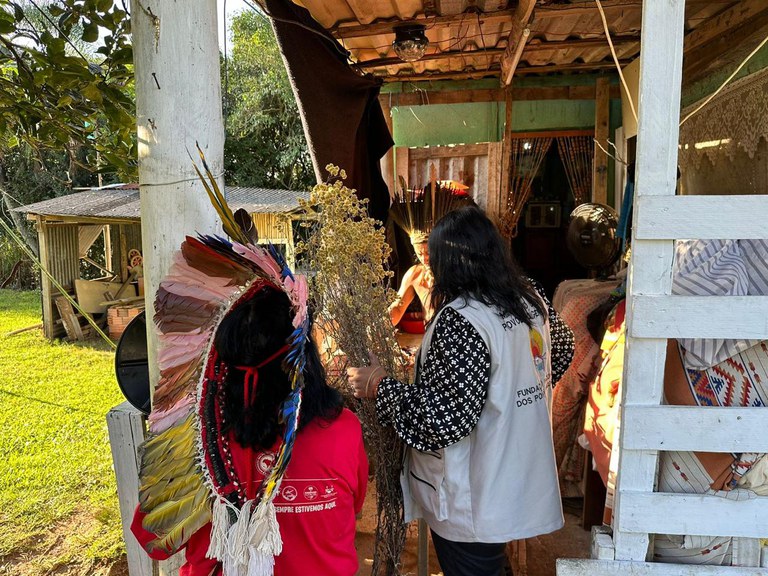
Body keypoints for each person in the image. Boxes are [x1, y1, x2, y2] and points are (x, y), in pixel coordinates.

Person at [348, 206, 564, 576]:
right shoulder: (529, 300)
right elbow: (560, 352)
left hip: (475, 493)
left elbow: (442, 422)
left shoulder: (463, 318)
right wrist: (514, 394)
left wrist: (378, 386)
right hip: (517, 472)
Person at [132, 256, 368, 576]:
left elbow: (152, 536)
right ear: (306, 360)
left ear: (221, 366)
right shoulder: (343, 429)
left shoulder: (196, 443)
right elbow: (353, 510)